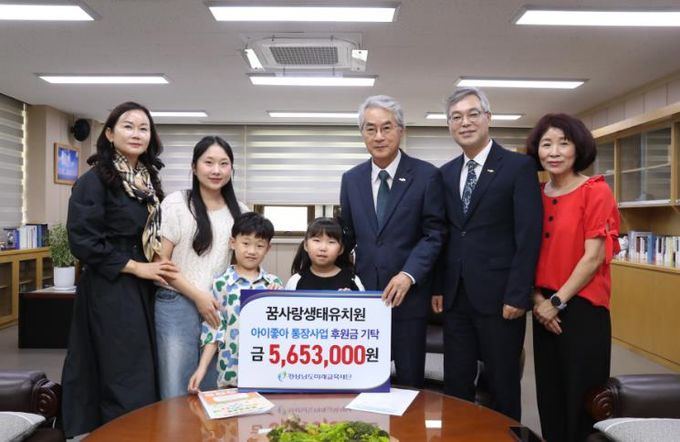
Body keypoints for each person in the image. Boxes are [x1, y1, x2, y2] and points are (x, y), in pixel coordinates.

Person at [61, 101, 178, 436]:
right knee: (125, 370)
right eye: (128, 126)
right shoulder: (94, 180)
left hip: (144, 283)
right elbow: (83, 241)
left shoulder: (147, 181)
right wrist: (136, 268)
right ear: (110, 134)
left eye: (144, 128)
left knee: (143, 363)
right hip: (111, 285)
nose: (137, 133)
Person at [432, 87, 542, 421]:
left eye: (472, 114)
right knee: (456, 383)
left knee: (502, 384)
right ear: (449, 125)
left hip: (501, 297)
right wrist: (438, 286)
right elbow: (444, 235)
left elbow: (528, 236)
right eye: (456, 117)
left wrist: (518, 294)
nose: (464, 122)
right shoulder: (445, 173)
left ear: (488, 118)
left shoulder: (518, 167)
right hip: (455, 297)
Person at [340, 95, 445, 388]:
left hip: (409, 296)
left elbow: (434, 234)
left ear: (401, 130)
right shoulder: (351, 179)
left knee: (410, 382)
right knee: (364, 379)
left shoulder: (426, 175)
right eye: (370, 129)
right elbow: (346, 236)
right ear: (362, 133)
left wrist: (408, 274)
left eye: (386, 128)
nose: (379, 136)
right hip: (365, 297)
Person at [526, 113, 620, 442]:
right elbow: (525, 251)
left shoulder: (596, 191)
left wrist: (556, 301)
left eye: (563, 143)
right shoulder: (535, 194)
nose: (554, 152)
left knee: (581, 398)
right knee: (549, 395)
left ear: (578, 148)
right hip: (542, 307)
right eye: (546, 144)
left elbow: (593, 257)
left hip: (581, 309)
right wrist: (538, 299)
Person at [155, 135, 248, 398]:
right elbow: (160, 262)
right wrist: (198, 296)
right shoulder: (176, 203)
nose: (216, 170)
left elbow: (242, 264)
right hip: (176, 301)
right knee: (176, 387)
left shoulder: (240, 211)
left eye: (224, 163)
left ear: (231, 169)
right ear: (194, 167)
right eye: (209, 162)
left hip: (220, 306)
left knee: (213, 387)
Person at [188, 212, 283, 391]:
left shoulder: (273, 284)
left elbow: (283, 331)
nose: (252, 251)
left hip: (267, 374)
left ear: (268, 248)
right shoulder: (221, 284)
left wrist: (279, 300)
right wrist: (201, 369)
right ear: (233, 243)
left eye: (259, 245)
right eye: (246, 243)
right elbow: (214, 329)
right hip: (231, 375)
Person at [285, 217, 364, 291]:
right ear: (306, 245)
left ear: (341, 249)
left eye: (331, 242)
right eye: (317, 240)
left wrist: (350, 298)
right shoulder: (295, 281)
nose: (323, 248)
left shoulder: (352, 280)